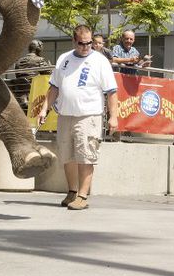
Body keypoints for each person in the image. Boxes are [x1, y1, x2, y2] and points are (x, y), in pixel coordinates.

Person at [38, 24, 118, 210]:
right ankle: (72, 191)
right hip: (65, 114)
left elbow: (112, 91)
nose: (86, 47)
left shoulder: (100, 61)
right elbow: (54, 87)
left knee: (86, 155)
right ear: (74, 41)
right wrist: (44, 109)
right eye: (82, 43)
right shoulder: (63, 59)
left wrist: (113, 116)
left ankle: (83, 195)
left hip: (88, 115)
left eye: (89, 43)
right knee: (67, 155)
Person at [13, 40, 52, 111]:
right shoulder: (39, 60)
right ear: (38, 48)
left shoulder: (18, 61)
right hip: (35, 92)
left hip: (20, 94)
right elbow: (48, 73)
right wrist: (50, 67)